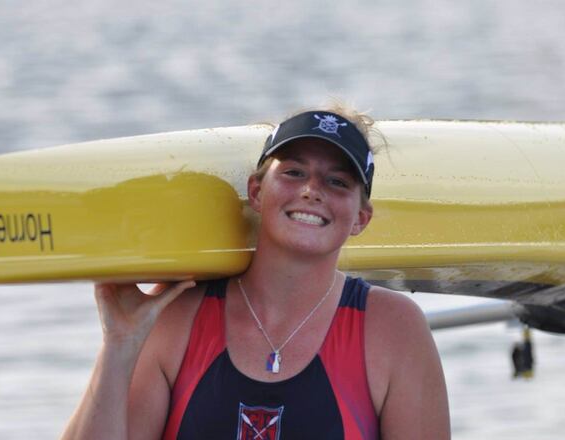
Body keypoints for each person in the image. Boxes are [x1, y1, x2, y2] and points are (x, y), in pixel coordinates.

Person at [61, 105, 450, 439]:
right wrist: (119, 345)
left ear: (360, 219)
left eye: (337, 181)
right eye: (294, 172)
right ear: (257, 192)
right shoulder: (178, 317)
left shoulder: (392, 330)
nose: (312, 190)